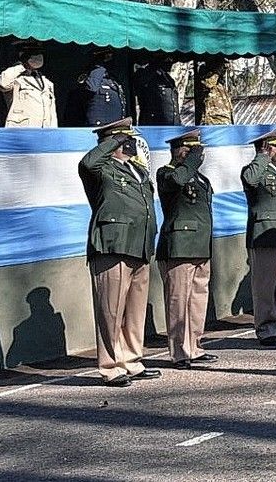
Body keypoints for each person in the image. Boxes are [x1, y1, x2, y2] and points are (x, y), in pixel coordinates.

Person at [77, 117, 159, 387]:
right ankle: (110, 366)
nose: (133, 143)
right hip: (112, 243)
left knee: (134, 310)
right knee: (110, 309)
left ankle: (132, 361)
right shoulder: (102, 170)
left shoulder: (138, 171)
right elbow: (87, 163)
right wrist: (113, 139)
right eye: (128, 139)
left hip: (140, 244)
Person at [156, 129, 217, 370]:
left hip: (201, 245)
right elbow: (177, 181)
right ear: (179, 150)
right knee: (178, 301)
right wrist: (191, 160)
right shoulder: (167, 173)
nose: (195, 154)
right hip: (179, 246)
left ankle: (194, 345)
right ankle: (179, 351)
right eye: (190, 149)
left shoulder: (200, 178)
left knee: (197, 299)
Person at [241, 128, 276, 346]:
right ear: (266, 148)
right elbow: (250, 180)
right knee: (265, 285)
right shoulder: (255, 169)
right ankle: (266, 328)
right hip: (265, 235)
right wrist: (262, 156)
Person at [0, 41, 57, 128]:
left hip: (44, 133)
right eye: (34, 54)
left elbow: (52, 112)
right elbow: (3, 84)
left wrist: (53, 132)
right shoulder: (16, 78)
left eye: (39, 53)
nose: (38, 57)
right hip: (22, 131)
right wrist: (22, 65)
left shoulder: (46, 82)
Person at [77, 49, 127, 127]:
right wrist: (98, 66)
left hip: (114, 124)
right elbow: (92, 88)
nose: (110, 59)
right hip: (100, 126)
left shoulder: (113, 79)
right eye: (107, 56)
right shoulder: (95, 74)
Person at [133, 56, 180, 126]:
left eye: (171, 59)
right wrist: (153, 67)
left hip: (172, 126)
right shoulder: (146, 74)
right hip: (155, 126)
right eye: (167, 58)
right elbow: (139, 86)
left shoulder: (169, 79)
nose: (171, 62)